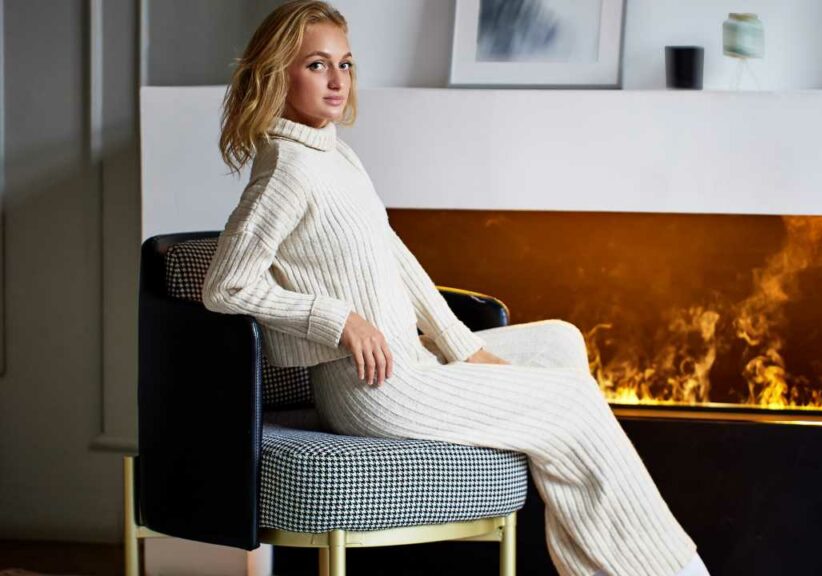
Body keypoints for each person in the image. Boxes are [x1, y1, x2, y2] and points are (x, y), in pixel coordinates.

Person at [202, 2, 710, 575]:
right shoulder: (286, 168)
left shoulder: (336, 155)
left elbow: (398, 260)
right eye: (317, 65)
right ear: (278, 73)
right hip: (376, 388)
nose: (338, 80)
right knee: (569, 404)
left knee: (559, 344)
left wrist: (463, 345)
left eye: (345, 64)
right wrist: (336, 319)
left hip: (411, 361)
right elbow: (226, 285)